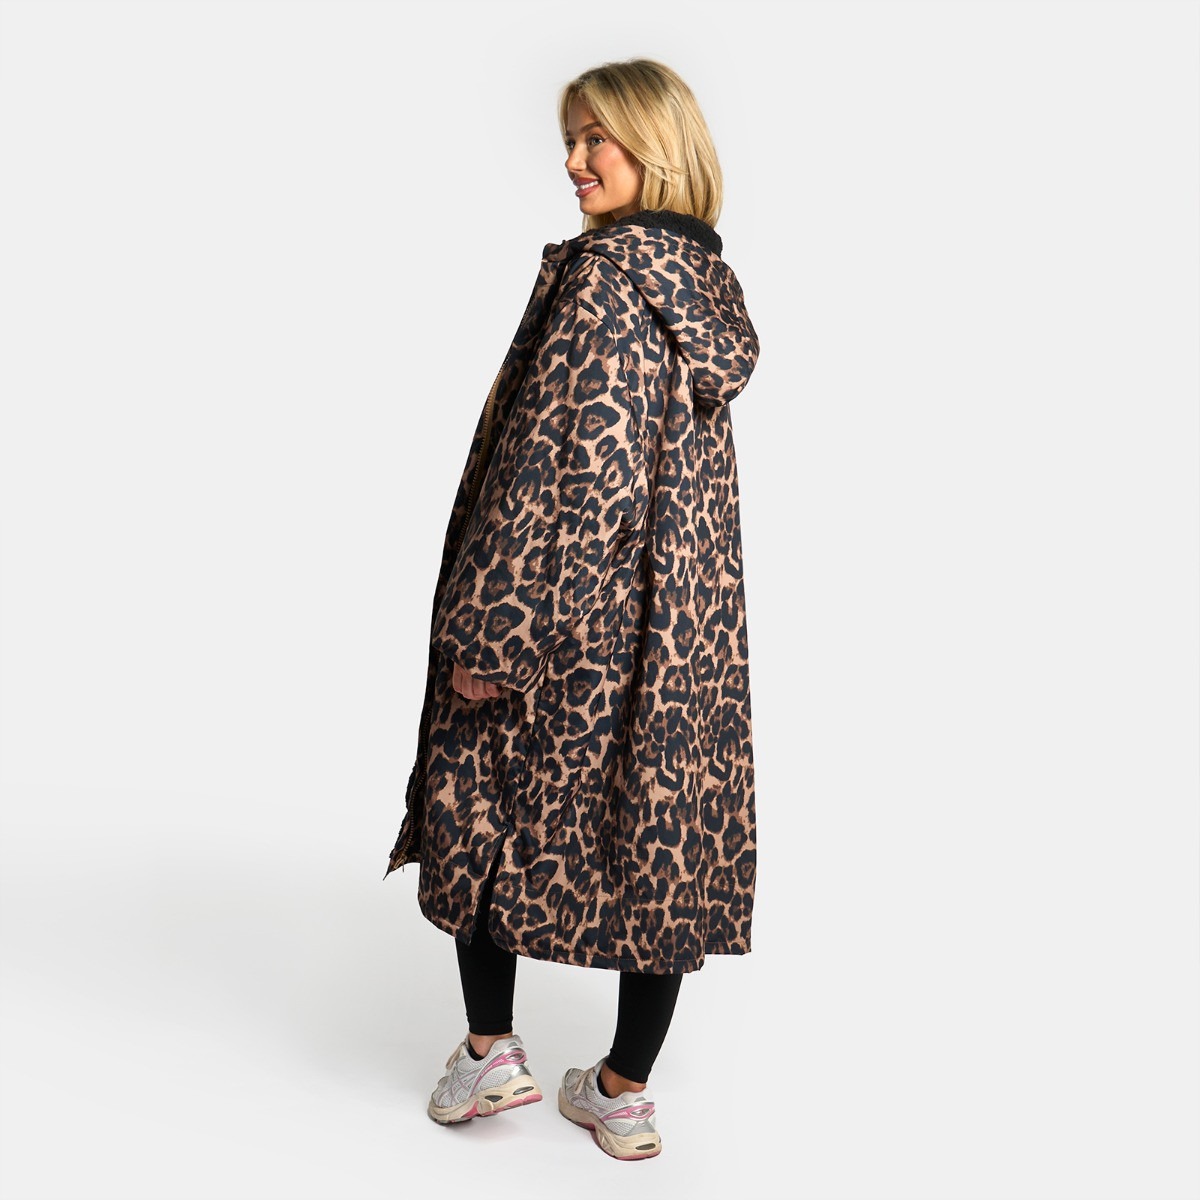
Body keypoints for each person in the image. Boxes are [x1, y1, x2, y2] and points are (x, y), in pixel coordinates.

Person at [383, 56, 760, 1161]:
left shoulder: (604, 280)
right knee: (663, 830)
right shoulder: (699, 284)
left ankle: (491, 1052)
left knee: (476, 789)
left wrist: (498, 632)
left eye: (598, 137)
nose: (575, 159)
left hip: (566, 618)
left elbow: (568, 472)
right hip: (678, 631)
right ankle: (623, 1091)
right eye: (571, 137)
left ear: (659, 146)